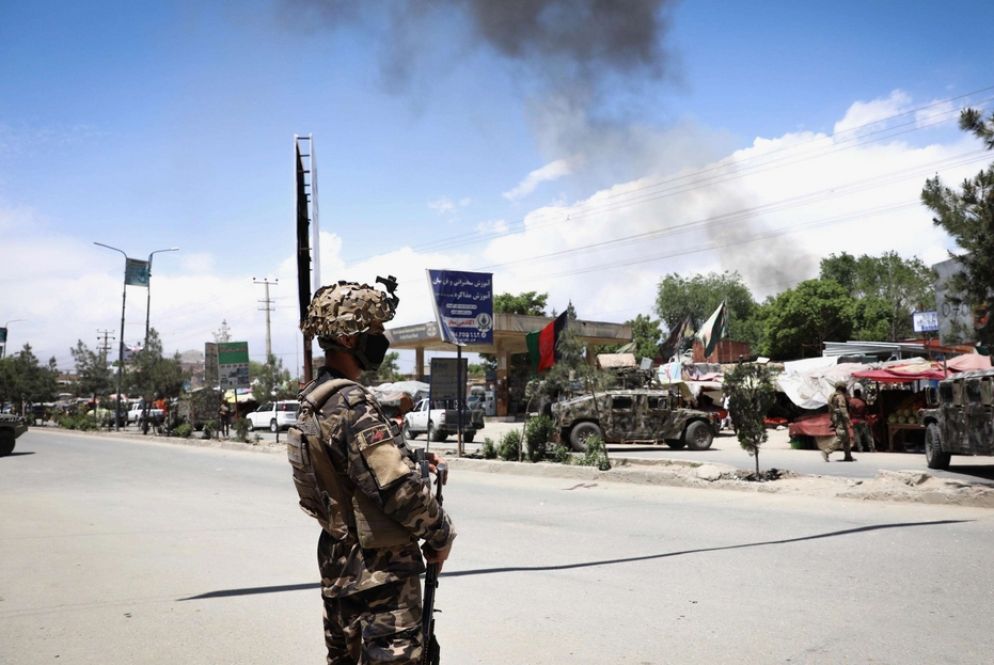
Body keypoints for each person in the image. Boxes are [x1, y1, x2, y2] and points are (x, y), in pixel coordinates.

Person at [290, 279, 455, 665]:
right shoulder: (353, 403)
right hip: (380, 576)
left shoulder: (315, 401)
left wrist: (410, 457)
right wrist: (440, 534)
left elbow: (348, 474)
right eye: (375, 330)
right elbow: (400, 490)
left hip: (339, 571)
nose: (380, 338)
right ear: (348, 338)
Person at [823, 381, 855, 462]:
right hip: (840, 418)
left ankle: (848, 456)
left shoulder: (832, 396)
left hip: (835, 417)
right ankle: (827, 451)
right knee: (841, 435)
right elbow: (843, 409)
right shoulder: (840, 397)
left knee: (846, 437)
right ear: (842, 388)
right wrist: (848, 421)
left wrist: (832, 418)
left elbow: (830, 409)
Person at [848, 388, 875, 453]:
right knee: (867, 435)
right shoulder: (863, 401)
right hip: (862, 420)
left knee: (857, 435)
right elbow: (866, 412)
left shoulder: (851, 401)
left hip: (854, 420)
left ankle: (860, 449)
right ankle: (871, 448)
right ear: (860, 394)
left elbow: (850, 412)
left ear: (854, 394)